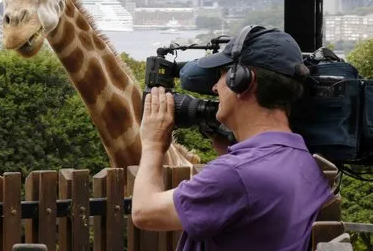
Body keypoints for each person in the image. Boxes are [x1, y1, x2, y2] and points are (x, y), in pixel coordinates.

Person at [131, 25, 335, 251]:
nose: (215, 86)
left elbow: (144, 212)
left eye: (221, 75)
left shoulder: (236, 174)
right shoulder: (303, 159)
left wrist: (153, 143)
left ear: (243, 81)